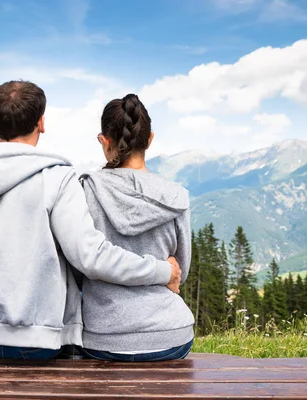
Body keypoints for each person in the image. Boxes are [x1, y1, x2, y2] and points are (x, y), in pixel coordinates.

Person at [0, 81, 182, 360]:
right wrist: (162, 271)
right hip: (38, 344)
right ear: (41, 123)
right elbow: (90, 258)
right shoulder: (58, 178)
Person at [78, 94, 195, 362]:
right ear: (150, 139)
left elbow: (78, 266)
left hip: (103, 339)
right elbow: (180, 272)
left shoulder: (86, 191)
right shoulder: (175, 196)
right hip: (171, 337)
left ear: (104, 141)